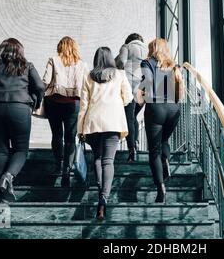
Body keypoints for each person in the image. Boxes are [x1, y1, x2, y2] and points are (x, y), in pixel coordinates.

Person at [0, 38, 45, 203]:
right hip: (20, 108)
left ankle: (0, 193)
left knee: (0, 150)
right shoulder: (27, 66)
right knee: (21, 150)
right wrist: (35, 102)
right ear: (20, 52)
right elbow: (41, 87)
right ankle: (8, 177)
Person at [78, 47, 133, 220]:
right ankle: (103, 199)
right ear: (110, 58)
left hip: (93, 122)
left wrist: (80, 129)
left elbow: (83, 106)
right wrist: (117, 101)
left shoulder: (88, 76)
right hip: (113, 121)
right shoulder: (120, 74)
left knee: (98, 158)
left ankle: (101, 190)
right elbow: (129, 98)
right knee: (108, 161)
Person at [137, 39, 185, 203]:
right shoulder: (174, 65)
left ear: (152, 49)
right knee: (164, 140)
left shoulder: (146, 63)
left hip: (156, 108)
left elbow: (148, 83)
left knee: (154, 151)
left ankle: (161, 189)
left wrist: (141, 92)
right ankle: (166, 159)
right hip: (173, 109)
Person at [42, 36, 89, 187]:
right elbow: (87, 86)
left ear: (60, 47)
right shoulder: (82, 64)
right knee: (70, 138)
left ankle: (58, 164)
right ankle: (66, 170)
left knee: (56, 135)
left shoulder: (53, 60)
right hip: (73, 104)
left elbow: (45, 81)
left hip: (54, 102)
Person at [115, 33, 148, 162]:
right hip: (142, 89)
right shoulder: (147, 50)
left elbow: (121, 61)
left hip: (128, 87)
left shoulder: (126, 47)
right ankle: (135, 142)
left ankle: (132, 148)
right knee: (133, 117)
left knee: (129, 117)